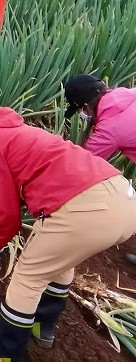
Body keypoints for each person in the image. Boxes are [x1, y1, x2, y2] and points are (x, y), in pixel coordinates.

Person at [0, 88, 136, 362]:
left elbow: (5, 214)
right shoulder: (12, 130)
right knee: (60, 262)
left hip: (87, 208)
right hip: (122, 197)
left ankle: (6, 354)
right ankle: (43, 327)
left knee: (28, 277)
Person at [64, 74, 136, 266]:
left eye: (79, 109)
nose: (82, 114)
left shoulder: (110, 128)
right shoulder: (123, 95)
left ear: (85, 107)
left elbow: (83, 165)